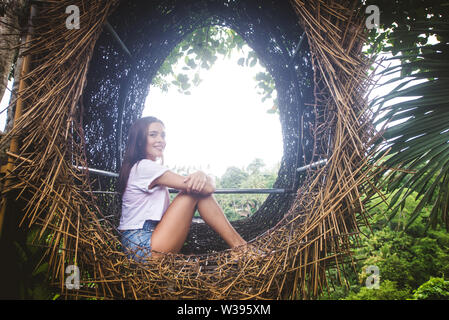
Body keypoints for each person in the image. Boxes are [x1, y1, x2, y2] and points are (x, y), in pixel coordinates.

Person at [117, 116, 247, 260]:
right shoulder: (144, 167)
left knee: (196, 190)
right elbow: (205, 188)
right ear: (140, 140)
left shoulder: (141, 167)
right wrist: (206, 175)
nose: (160, 140)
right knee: (193, 193)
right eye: (153, 135)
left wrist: (203, 176)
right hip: (141, 245)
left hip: (144, 242)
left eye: (163, 135)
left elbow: (202, 186)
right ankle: (242, 248)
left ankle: (240, 247)